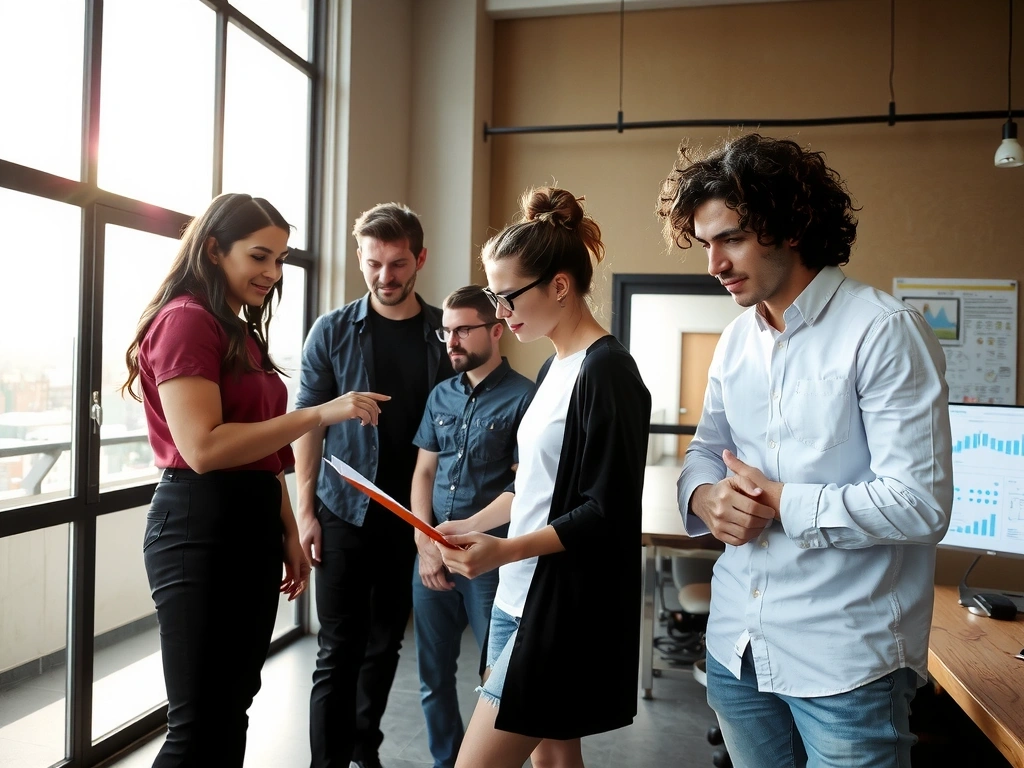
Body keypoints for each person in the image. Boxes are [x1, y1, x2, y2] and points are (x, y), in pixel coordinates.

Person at [656, 133, 953, 768]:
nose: (714, 263)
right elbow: (706, 453)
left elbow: (920, 504)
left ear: (790, 227)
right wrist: (706, 496)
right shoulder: (737, 341)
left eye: (730, 239)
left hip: (845, 661)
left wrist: (783, 503)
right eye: (706, 244)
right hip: (738, 648)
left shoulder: (882, 331)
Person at [122, 193, 387, 768]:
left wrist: (287, 528)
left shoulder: (235, 329)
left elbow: (261, 448)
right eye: (259, 256)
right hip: (200, 523)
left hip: (251, 520)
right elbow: (205, 448)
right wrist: (319, 413)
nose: (272, 273)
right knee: (197, 722)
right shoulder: (187, 321)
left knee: (233, 706)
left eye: (281, 260)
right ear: (214, 249)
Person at [434, 187, 652, 768]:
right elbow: (535, 486)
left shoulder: (608, 371)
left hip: (555, 605)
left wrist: (503, 552)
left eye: (507, 298)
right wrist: (472, 523)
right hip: (517, 595)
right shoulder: (556, 365)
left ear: (560, 285)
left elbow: (605, 511)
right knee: (554, 760)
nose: (500, 314)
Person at [293, 202, 455, 768]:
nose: (386, 276)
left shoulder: (444, 335)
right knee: (338, 647)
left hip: (412, 518)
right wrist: (306, 511)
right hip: (343, 511)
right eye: (374, 264)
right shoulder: (332, 331)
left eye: (398, 263)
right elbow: (307, 424)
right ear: (360, 260)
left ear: (420, 260)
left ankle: (365, 748)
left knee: (386, 643)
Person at [410, 285, 535, 768]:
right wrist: (425, 542)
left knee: (496, 680)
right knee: (432, 677)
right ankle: (448, 763)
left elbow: (527, 488)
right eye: (446, 331)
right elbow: (424, 472)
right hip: (432, 555)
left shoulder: (526, 397)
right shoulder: (440, 394)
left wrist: (462, 536)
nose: (451, 341)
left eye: (463, 329)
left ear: (496, 330)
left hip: (491, 564)